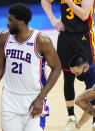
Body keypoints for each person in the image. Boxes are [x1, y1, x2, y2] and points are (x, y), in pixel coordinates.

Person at [0, 3, 61, 131]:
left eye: (10, 20)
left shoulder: (41, 41)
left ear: (21, 23)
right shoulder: (4, 37)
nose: (7, 23)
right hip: (9, 100)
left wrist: (41, 98)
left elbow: (57, 68)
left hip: (34, 98)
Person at [41, 0, 95, 130]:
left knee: (91, 76)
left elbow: (84, 15)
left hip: (83, 37)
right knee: (68, 77)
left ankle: (94, 118)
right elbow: (45, 1)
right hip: (65, 38)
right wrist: (53, 19)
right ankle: (71, 117)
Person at [69, 54, 95, 130]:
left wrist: (77, 126)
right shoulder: (91, 70)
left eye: (77, 73)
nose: (76, 76)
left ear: (86, 67)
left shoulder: (92, 78)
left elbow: (91, 108)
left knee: (80, 101)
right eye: (74, 74)